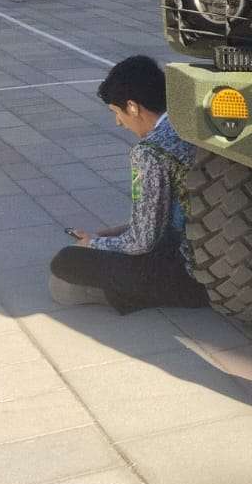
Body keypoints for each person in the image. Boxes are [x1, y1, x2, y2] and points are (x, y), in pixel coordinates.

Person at [49, 55, 211, 313]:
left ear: (133, 107)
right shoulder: (192, 126)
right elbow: (169, 212)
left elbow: (142, 242)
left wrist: (92, 243)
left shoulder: (149, 151)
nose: (118, 122)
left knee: (65, 262)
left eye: (117, 112)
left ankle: (129, 295)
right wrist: (109, 234)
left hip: (190, 272)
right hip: (214, 250)